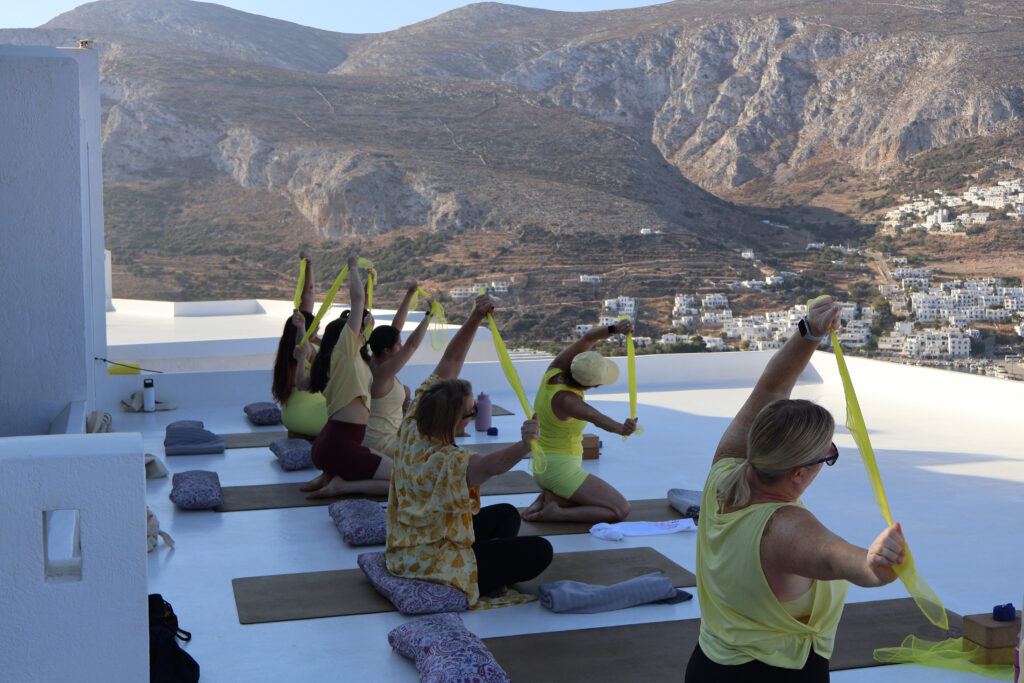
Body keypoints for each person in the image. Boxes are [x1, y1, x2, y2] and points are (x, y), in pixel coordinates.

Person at [685, 296, 906, 682]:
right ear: (800, 474)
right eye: (828, 455)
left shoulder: (724, 472)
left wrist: (810, 333)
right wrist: (876, 563)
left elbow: (771, 388)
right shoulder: (786, 529)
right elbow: (845, 562)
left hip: (708, 664)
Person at [386, 294, 553, 606]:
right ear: (455, 421)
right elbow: (491, 466)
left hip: (412, 540)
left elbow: (450, 362)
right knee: (540, 551)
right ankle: (484, 578)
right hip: (430, 557)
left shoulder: (413, 421)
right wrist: (525, 444)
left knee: (505, 515)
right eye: (472, 412)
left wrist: (476, 317)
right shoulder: (444, 460)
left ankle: (491, 573)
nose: (476, 415)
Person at [521, 320, 637, 523]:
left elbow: (588, 337)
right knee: (620, 509)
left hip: (544, 466)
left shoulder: (554, 371)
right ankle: (558, 512)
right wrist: (622, 429)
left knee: (588, 496)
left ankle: (547, 497)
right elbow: (594, 417)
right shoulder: (568, 400)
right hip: (559, 470)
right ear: (593, 386)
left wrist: (614, 329)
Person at [302, 255, 391, 499]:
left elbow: (363, 310)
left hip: (332, 444)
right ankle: (341, 486)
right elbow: (357, 302)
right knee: (402, 482)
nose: (364, 333)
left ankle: (328, 475)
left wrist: (368, 283)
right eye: (360, 331)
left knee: (391, 465)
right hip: (338, 447)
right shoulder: (346, 351)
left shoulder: (338, 362)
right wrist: (353, 268)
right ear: (346, 338)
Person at [362, 282, 432, 458]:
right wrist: (430, 316)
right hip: (382, 445)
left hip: (383, 439)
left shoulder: (373, 361)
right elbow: (412, 345)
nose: (401, 347)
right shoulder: (381, 373)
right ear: (387, 351)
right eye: (398, 345)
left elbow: (396, 328)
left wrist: (409, 294)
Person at [271, 251, 328, 440]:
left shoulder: (290, 347)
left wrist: (309, 265)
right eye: (316, 326)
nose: (318, 327)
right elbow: (302, 338)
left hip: (291, 417)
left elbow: (309, 295)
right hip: (311, 416)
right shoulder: (304, 348)